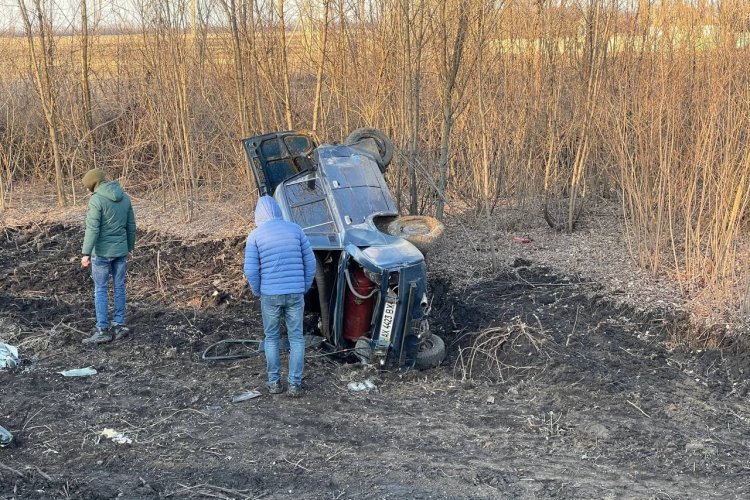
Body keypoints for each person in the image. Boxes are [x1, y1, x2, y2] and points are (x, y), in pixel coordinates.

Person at [244, 196, 316, 397]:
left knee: (272, 338)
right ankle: (294, 385)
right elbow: (311, 263)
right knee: (296, 338)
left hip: (270, 295)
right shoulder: (296, 230)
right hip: (295, 293)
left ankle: (274, 383)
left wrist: (258, 291)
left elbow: (251, 270)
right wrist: (303, 286)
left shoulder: (255, 236)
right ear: (277, 211)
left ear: (258, 215)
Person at [80, 168, 136, 345]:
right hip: (120, 251)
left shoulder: (96, 200)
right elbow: (131, 225)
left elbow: (93, 229)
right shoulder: (124, 197)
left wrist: (85, 253)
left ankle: (102, 329)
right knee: (119, 287)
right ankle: (119, 325)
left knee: (101, 289)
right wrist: (130, 247)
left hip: (102, 253)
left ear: (93, 185)